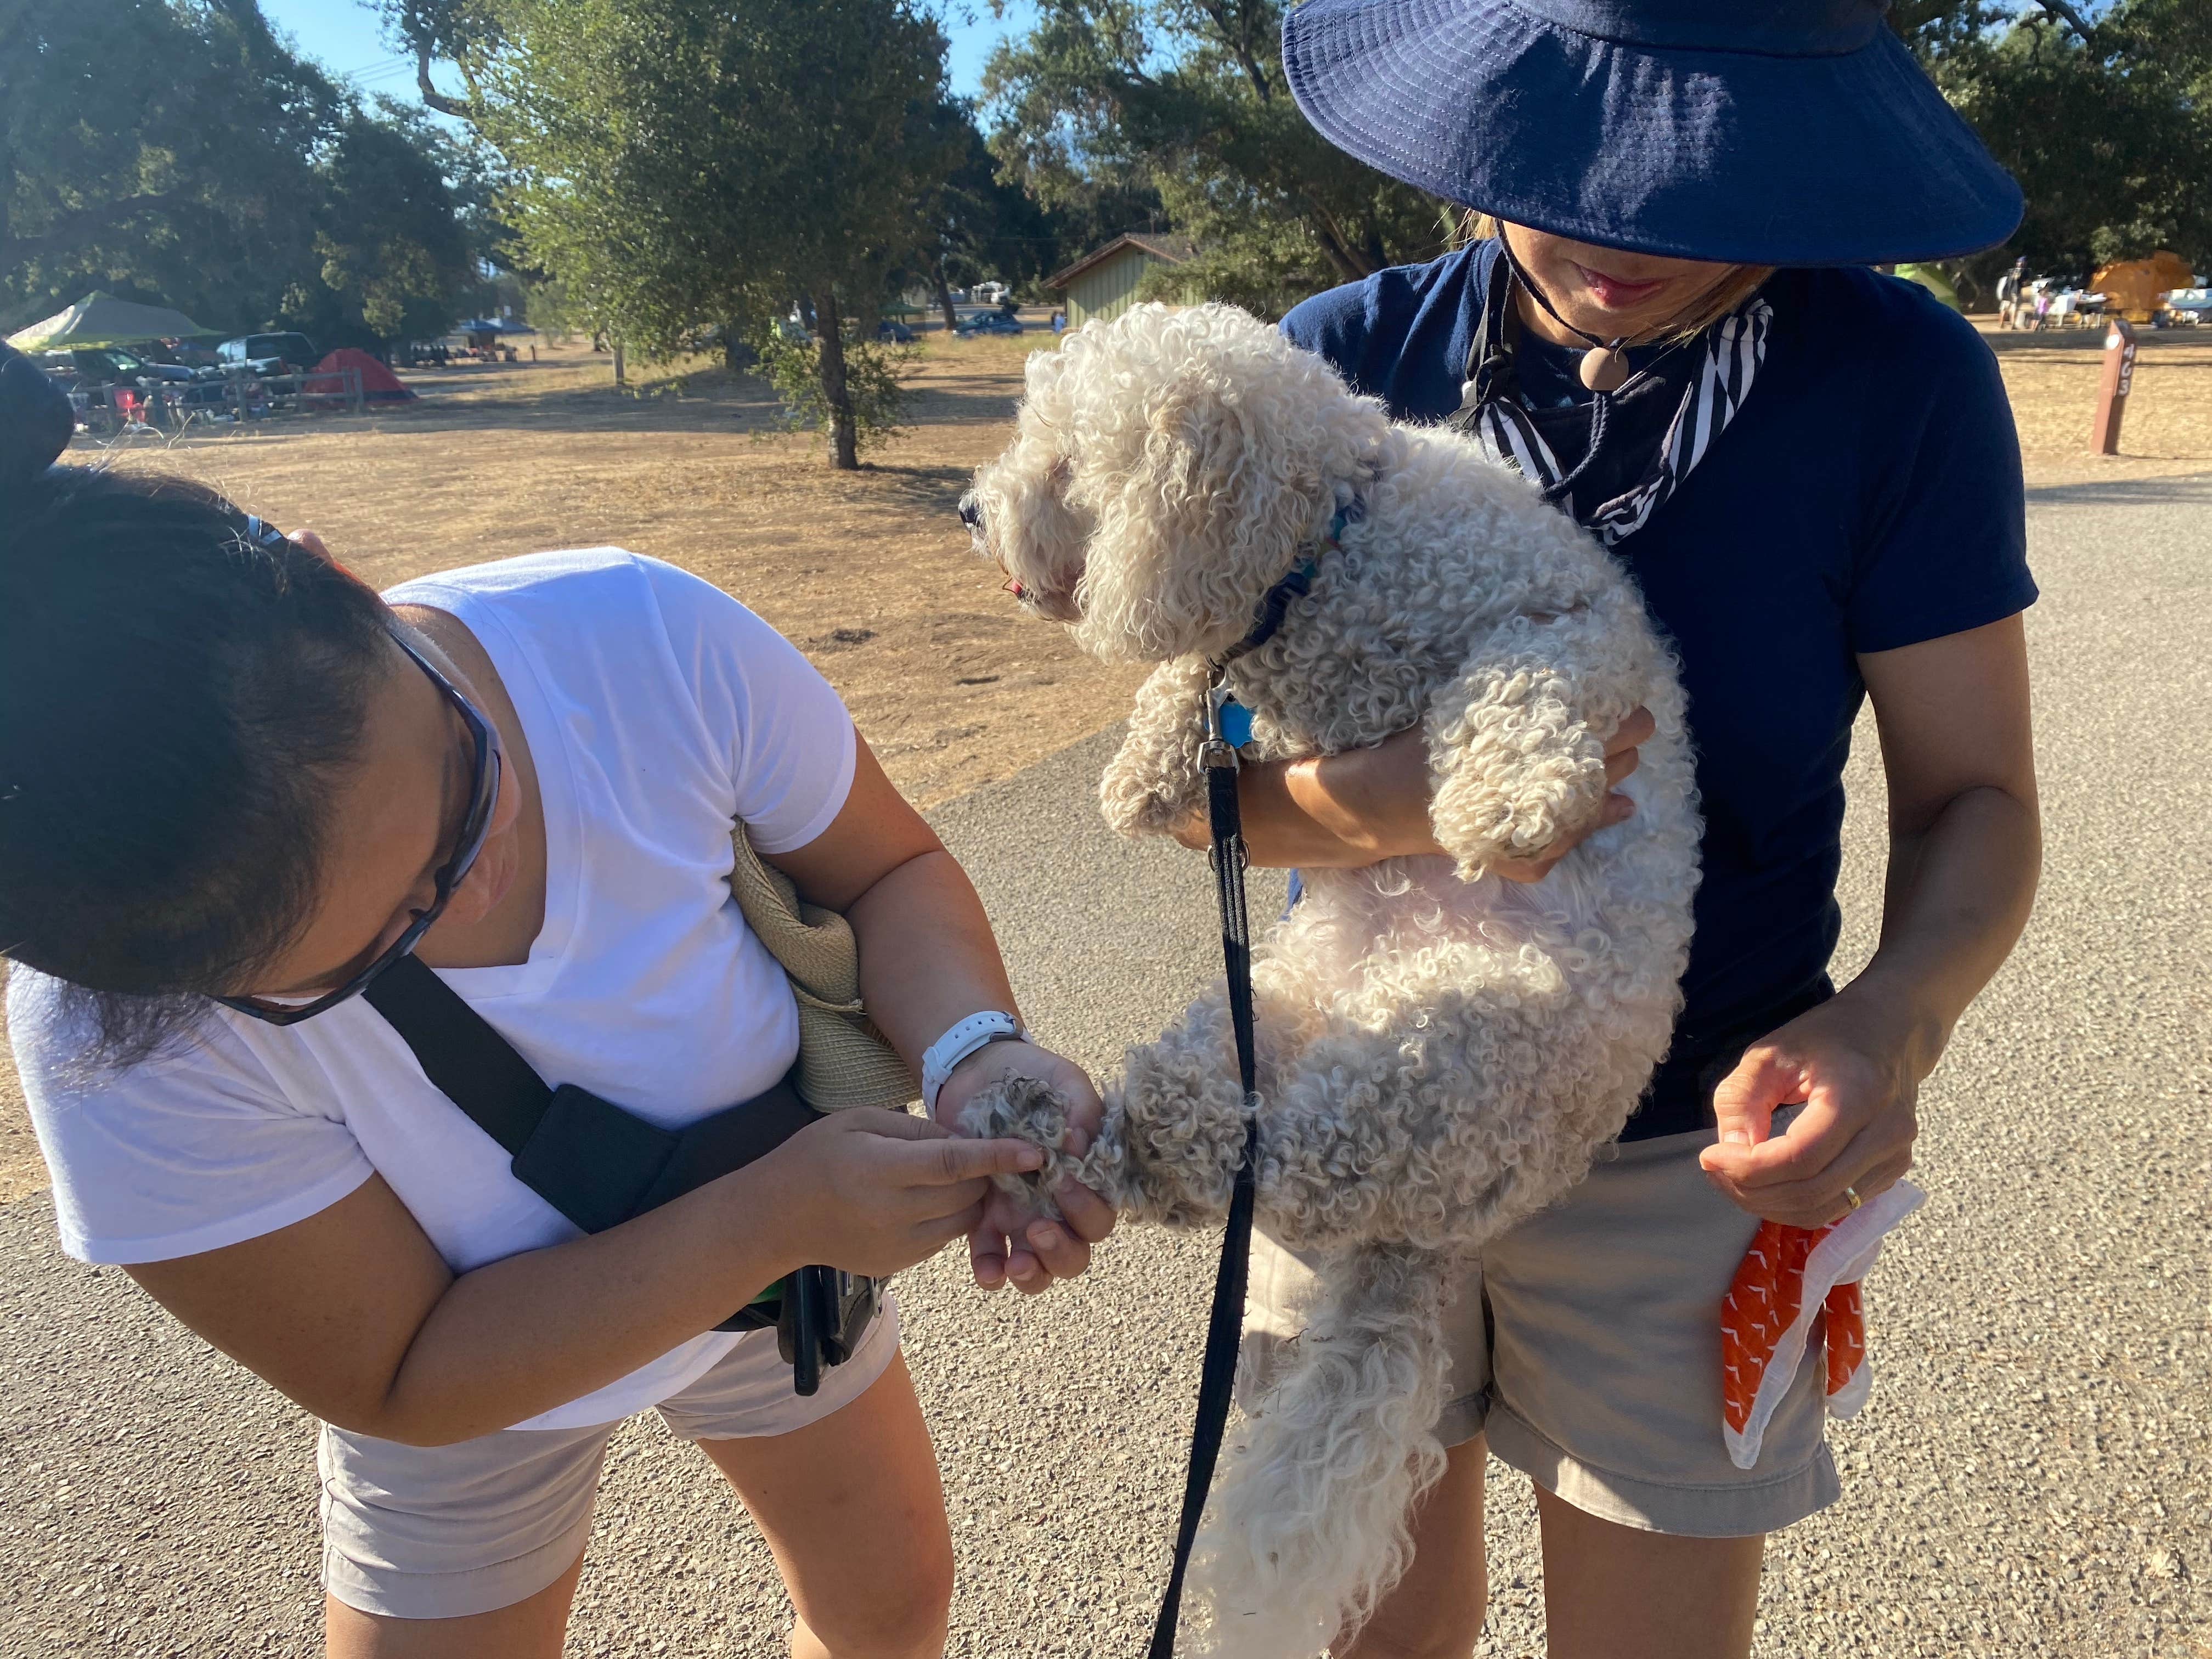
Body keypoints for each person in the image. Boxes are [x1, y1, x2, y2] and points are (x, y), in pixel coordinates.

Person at [0, 340, 1113, 1658]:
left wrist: (977, 1050)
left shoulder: (639, 637)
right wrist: (777, 1213)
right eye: (374, 953)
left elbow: (888, 869)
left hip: (784, 1286)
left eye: (467, 793)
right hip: (485, 1381)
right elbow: (399, 1374)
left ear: (341, 575)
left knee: (890, 1604)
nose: (474, 897)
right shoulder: (107, 1043)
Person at [1210, 3, 2044, 1655]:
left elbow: (1979, 803)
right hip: (1359, 1110)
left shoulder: (1900, 386)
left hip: (1689, 1157)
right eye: (1572, 158)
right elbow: (1191, 794)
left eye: (1701, 168)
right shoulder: (1329, 371)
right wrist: (1398, 806)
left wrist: (1892, 1023)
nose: (1619, 233)